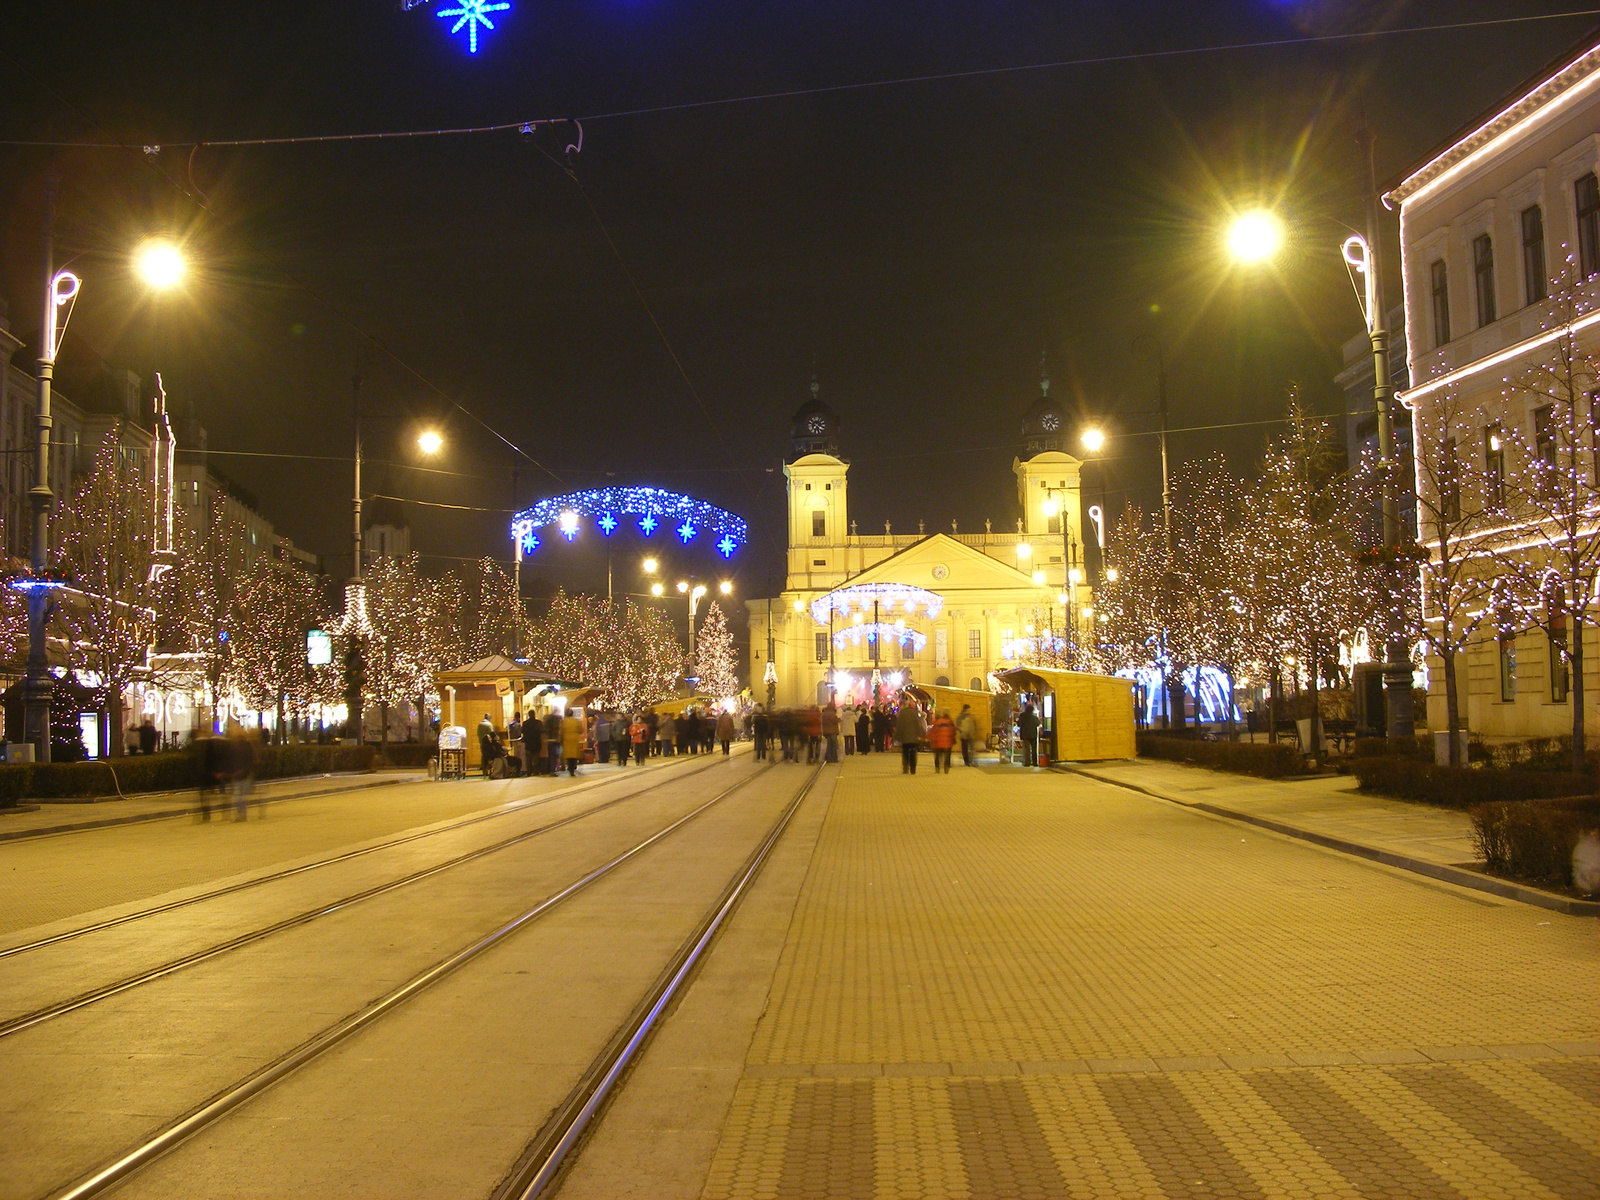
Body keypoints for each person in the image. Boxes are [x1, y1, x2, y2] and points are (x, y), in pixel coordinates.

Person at [895, 701, 926, 775]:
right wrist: (919, 735)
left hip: (904, 738)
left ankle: (905, 768)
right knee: (913, 753)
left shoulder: (901, 714)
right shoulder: (915, 713)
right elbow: (918, 725)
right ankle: (913, 769)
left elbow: (899, 725)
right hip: (913, 738)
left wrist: (898, 736)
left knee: (905, 753)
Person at [929, 709, 957, 774]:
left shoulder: (937, 722)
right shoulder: (950, 722)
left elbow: (933, 731)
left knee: (937, 756)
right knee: (947, 755)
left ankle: (937, 768)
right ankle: (946, 768)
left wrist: (929, 738)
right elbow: (954, 731)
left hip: (938, 742)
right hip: (948, 742)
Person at [560, 708, 586, 776]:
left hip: (567, 740)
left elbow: (561, 731)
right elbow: (581, 730)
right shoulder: (576, 721)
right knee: (574, 755)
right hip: (575, 739)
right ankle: (573, 768)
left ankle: (570, 767)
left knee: (569, 756)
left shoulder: (563, 721)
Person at [1018, 701, 1040, 768]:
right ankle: (1035, 763)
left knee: (1027, 749)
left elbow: (1019, 724)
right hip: (1033, 734)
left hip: (1025, 734)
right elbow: (1038, 723)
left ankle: (1027, 763)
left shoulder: (1022, 716)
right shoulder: (1034, 717)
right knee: (1034, 749)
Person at [544, 709, 563, 775]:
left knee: (550, 755)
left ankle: (549, 770)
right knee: (554, 756)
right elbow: (558, 731)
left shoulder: (547, 721)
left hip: (549, 740)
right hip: (554, 740)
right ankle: (552, 770)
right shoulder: (555, 721)